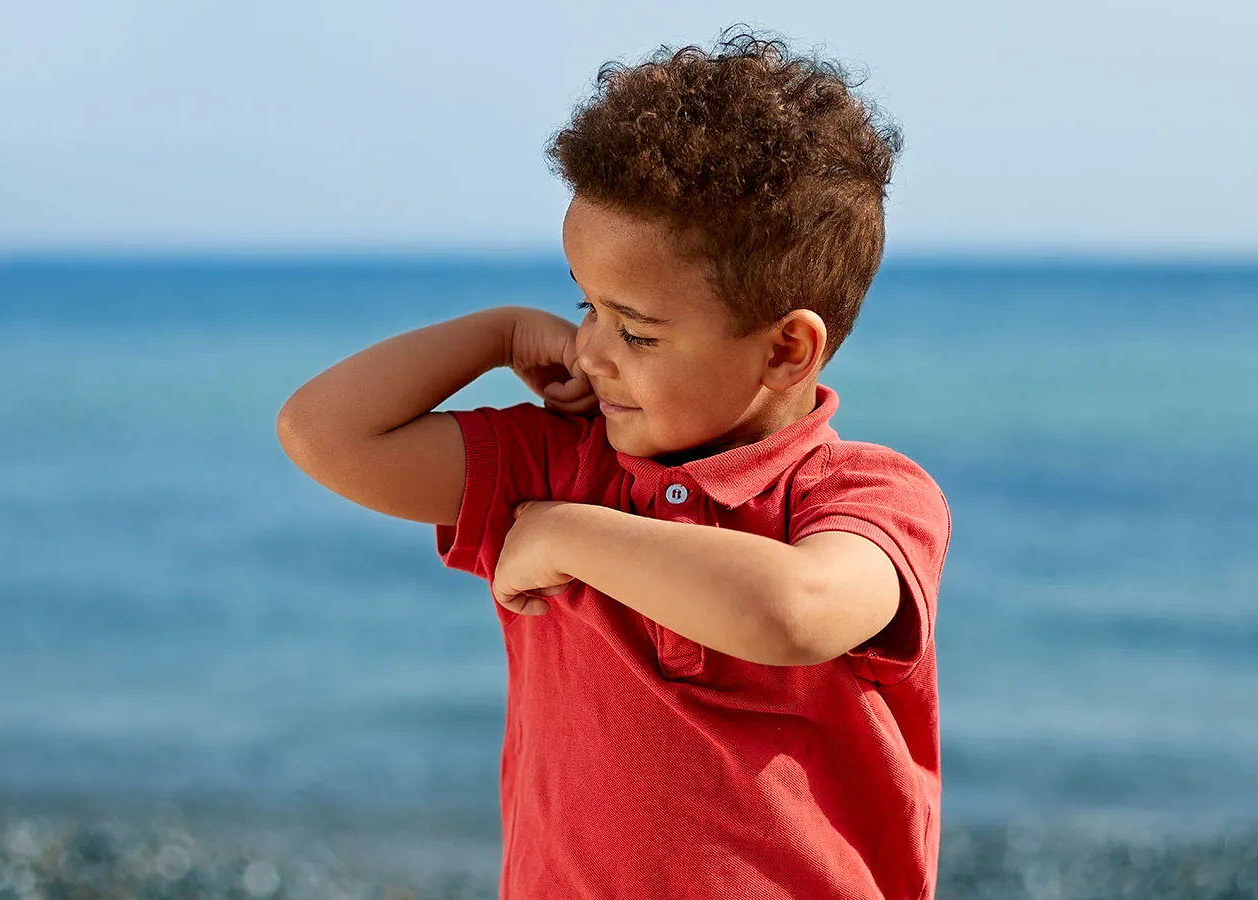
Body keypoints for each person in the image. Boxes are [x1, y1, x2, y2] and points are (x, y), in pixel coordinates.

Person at [275, 29, 952, 899]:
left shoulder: (866, 495)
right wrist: (499, 332)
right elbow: (322, 434)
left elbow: (793, 608)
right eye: (581, 302)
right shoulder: (554, 460)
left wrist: (567, 536)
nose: (592, 350)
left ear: (787, 349)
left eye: (634, 329)